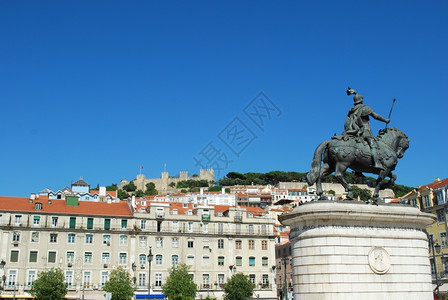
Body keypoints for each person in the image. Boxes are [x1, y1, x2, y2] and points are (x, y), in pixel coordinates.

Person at [344, 88, 390, 170]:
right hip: (364, 130)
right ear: (361, 100)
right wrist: (385, 120)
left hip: (353, 130)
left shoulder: (351, 110)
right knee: (373, 145)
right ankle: (376, 163)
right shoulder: (364, 108)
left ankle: (358, 171)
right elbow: (375, 116)